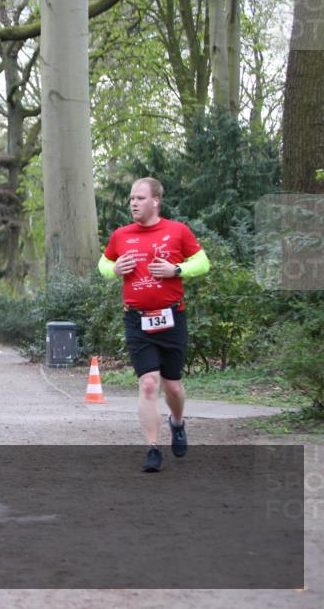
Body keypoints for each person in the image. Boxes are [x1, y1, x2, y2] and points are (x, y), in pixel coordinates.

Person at [98, 177, 210, 472]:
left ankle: (177, 422)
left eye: (139, 198)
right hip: (137, 319)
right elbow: (103, 264)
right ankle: (152, 448)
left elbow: (203, 262)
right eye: (131, 198)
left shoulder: (177, 231)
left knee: (172, 387)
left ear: (155, 201)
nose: (133, 203)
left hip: (172, 318)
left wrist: (177, 269)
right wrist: (114, 269)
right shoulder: (121, 235)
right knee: (149, 384)